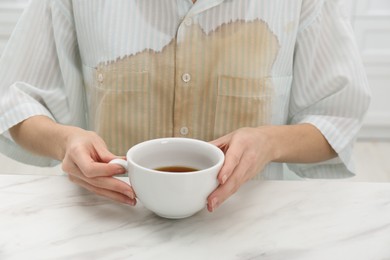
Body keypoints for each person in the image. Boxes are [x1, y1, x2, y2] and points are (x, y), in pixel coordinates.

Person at [0, 0, 370, 212]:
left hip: (249, 229)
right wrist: (64, 141)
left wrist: (270, 142)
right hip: (108, 224)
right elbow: (17, 100)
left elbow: (337, 116)